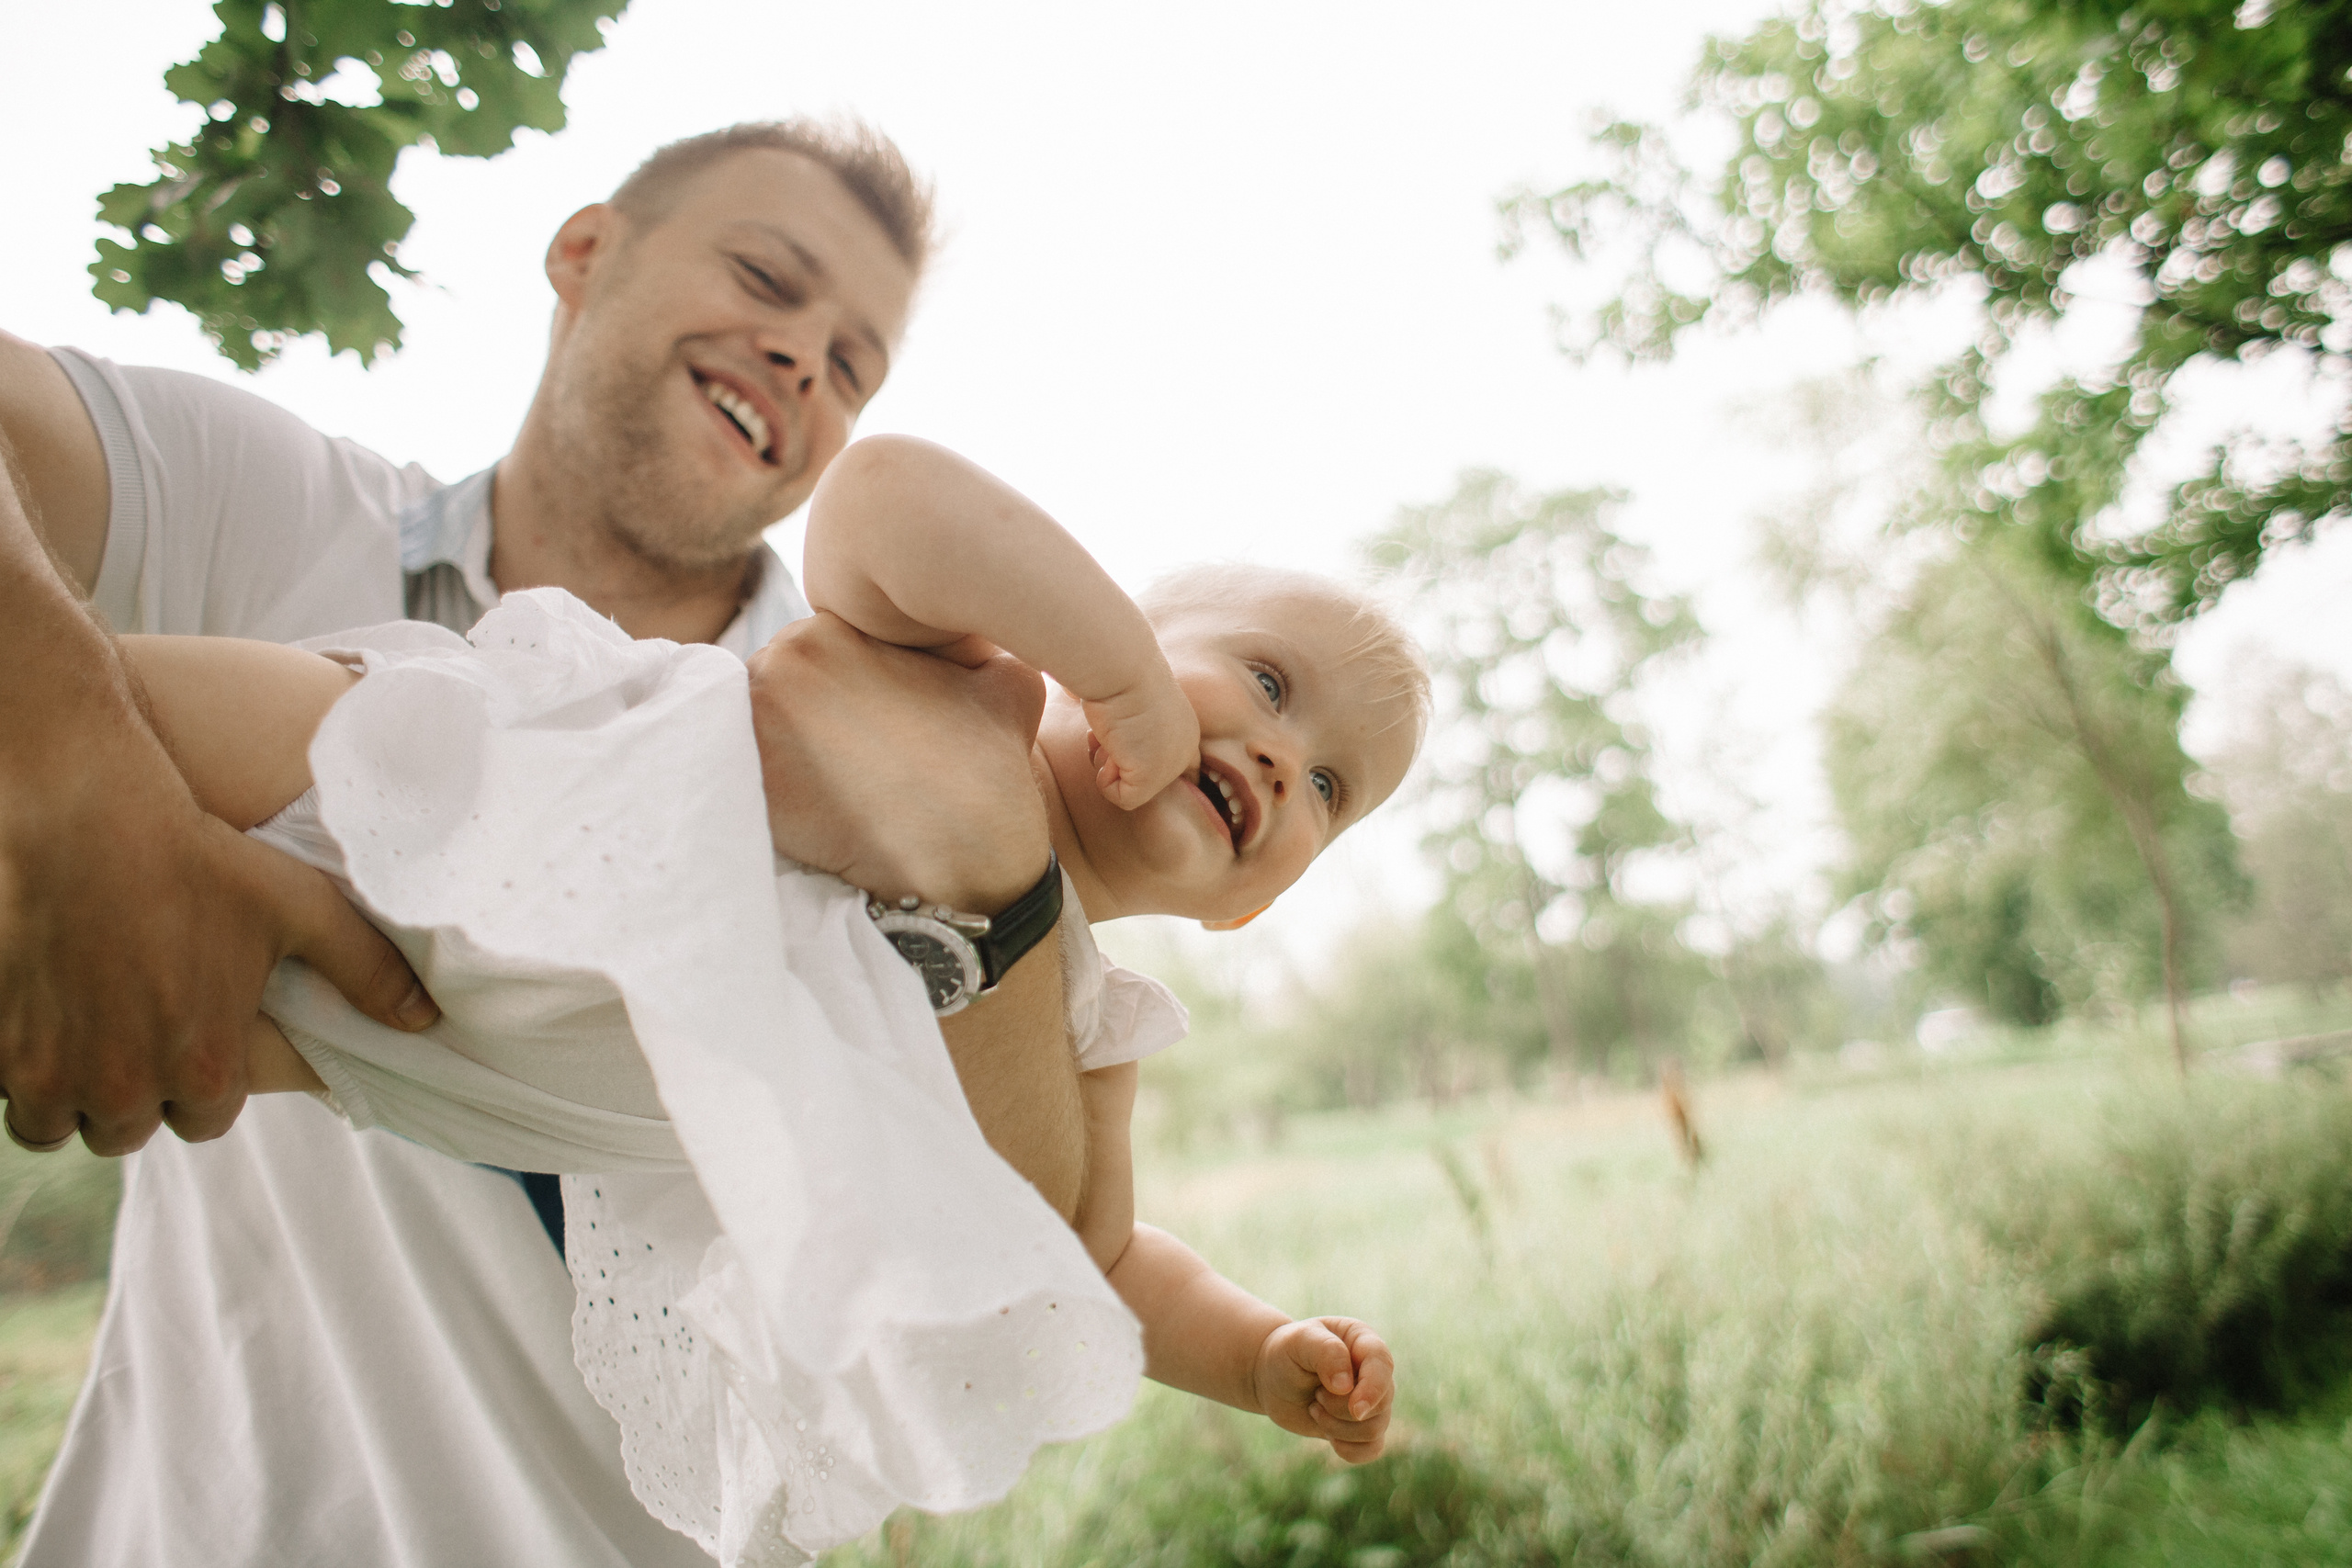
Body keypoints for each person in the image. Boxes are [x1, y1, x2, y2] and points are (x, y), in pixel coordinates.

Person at [0, 121, 1092, 1567]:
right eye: (768, 280)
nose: (802, 366)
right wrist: (79, 771)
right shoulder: (276, 520)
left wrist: (999, 888)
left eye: (851, 368)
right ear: (585, 255)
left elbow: (989, 1284)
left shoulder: (901, 761)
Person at [102, 435, 1423, 1557]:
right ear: (1107, 642)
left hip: (399, 1048)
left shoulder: (1091, 1030)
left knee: (121, 1003)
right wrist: (1122, 675)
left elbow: (1096, 1262)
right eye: (1263, 680)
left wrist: (1253, 1356)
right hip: (464, 778)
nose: (1278, 751)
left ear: (1248, 908)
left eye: (1328, 786)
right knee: (118, 744)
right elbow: (879, 494)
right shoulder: (969, 679)